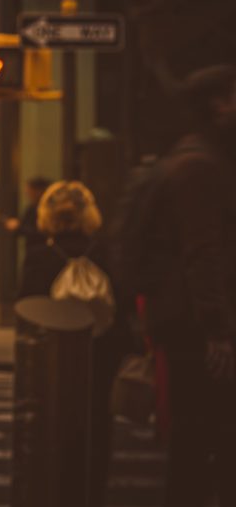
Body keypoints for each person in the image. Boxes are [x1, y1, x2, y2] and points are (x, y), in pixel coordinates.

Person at [141, 65, 236, 506]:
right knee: (199, 441)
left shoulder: (195, 159)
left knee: (200, 440)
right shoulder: (198, 167)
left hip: (189, 324)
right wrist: (216, 329)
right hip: (196, 331)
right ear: (218, 105)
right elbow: (204, 252)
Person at [18, 180, 134, 507]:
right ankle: (92, 492)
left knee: (52, 424)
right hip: (101, 353)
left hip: (52, 358)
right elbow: (123, 303)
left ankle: (56, 491)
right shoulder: (107, 251)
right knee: (98, 423)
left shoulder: (40, 256)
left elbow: (27, 306)